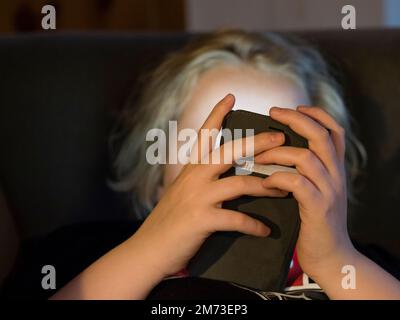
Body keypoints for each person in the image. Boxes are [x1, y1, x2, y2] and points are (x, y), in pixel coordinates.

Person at [16, 30, 400, 299]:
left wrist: (336, 261)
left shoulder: (360, 268)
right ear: (156, 178)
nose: (240, 173)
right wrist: (149, 252)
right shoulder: (89, 254)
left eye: (280, 151)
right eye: (211, 148)